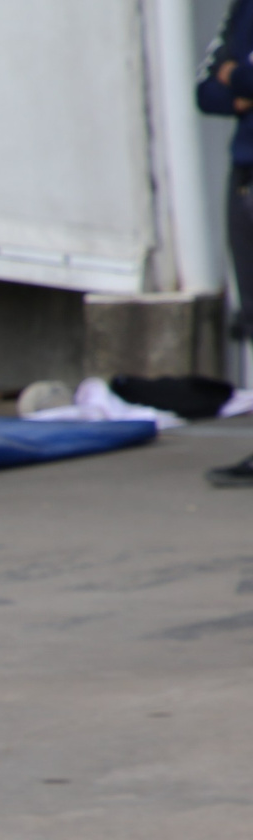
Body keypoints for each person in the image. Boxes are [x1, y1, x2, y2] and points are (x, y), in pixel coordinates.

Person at [198, 0, 253, 488]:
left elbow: (232, 80)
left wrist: (237, 77)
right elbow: (207, 91)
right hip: (245, 173)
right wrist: (237, 84)